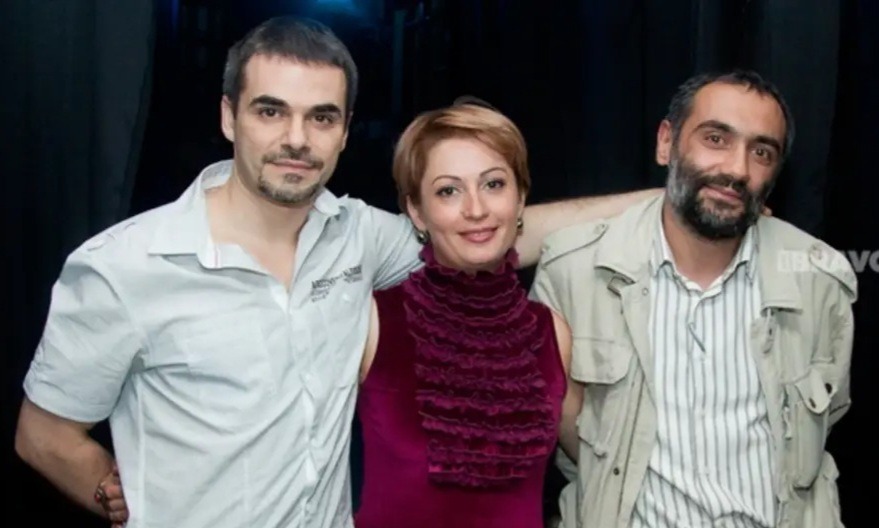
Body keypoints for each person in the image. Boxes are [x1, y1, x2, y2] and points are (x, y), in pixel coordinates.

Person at [13, 16, 657, 528]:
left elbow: (485, 233)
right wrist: (115, 496)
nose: (297, 138)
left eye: (321, 116)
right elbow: (43, 435)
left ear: (346, 131)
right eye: (270, 111)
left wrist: (664, 202)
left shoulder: (360, 237)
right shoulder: (123, 266)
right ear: (228, 116)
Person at [531, 69, 857, 528]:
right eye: (716, 138)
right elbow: (568, 433)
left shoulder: (819, 277)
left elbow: (828, 414)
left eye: (761, 151)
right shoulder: (573, 270)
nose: (737, 169)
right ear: (666, 142)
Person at [352, 98, 582, 527]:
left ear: (521, 198)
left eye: (494, 184)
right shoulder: (373, 321)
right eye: (448, 190)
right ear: (417, 211)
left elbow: (600, 460)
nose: (476, 209)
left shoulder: (551, 332)